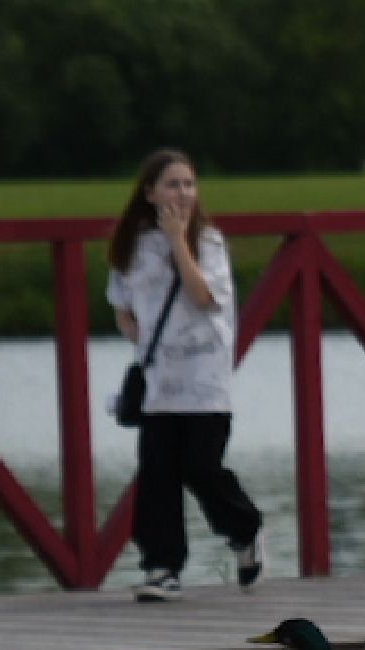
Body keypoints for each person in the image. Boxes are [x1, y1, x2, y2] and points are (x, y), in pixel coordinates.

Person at [107, 148, 263, 603]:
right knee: (156, 474)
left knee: (200, 466)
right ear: (149, 191)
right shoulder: (132, 245)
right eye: (173, 184)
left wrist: (178, 240)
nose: (183, 193)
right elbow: (121, 306)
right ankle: (161, 567)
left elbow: (204, 297)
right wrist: (139, 337)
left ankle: (244, 528)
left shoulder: (208, 243)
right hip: (160, 382)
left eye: (189, 184)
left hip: (204, 379)